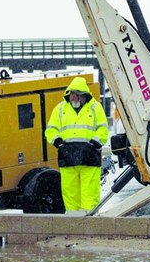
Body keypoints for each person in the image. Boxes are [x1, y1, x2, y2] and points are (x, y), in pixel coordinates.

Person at [45, 77, 109, 214]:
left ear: (85, 95)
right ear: (69, 94)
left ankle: (90, 221)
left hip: (89, 157)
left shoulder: (95, 108)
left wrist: (93, 144)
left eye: (79, 94)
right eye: (73, 94)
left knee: (89, 193)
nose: (75, 97)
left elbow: (103, 129)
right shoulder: (60, 109)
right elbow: (51, 130)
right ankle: (73, 222)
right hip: (68, 157)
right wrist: (59, 143)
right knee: (70, 193)